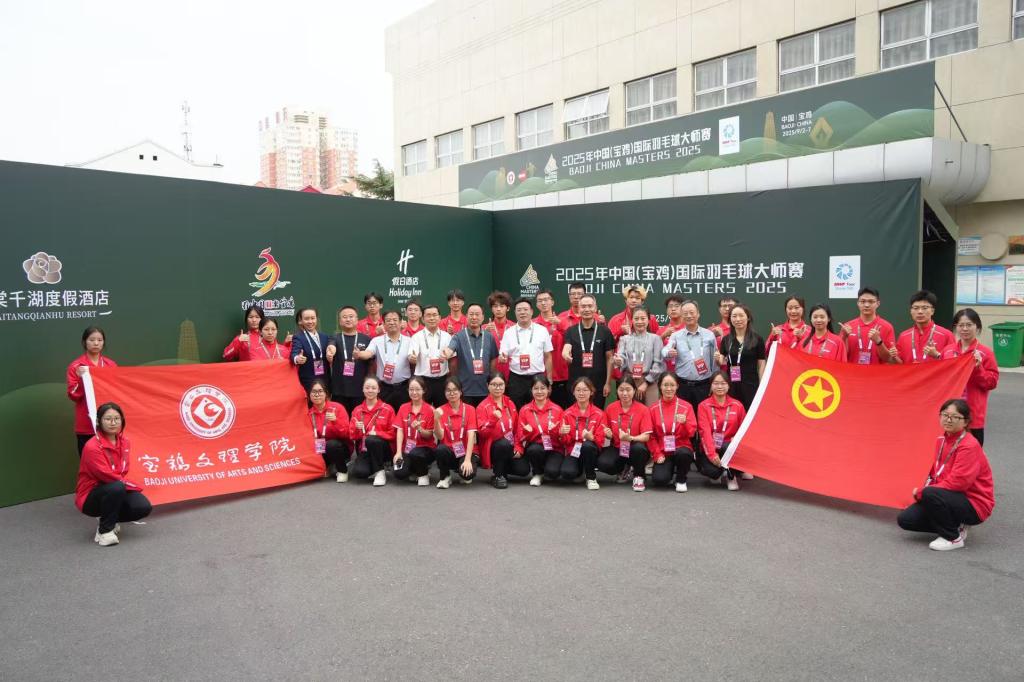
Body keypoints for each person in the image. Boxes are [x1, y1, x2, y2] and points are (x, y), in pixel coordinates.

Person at [897, 399, 995, 551]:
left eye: (955, 417)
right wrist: (925, 496)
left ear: (965, 422)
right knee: (906, 519)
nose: (948, 420)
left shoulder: (969, 445)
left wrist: (923, 493)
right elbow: (936, 474)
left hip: (974, 503)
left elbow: (959, 483)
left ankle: (952, 538)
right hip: (949, 496)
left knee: (929, 493)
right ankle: (956, 525)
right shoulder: (941, 440)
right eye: (945, 415)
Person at [76, 403, 151, 546]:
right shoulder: (92, 446)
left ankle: (108, 518)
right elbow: (107, 476)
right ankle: (105, 531)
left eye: (117, 418)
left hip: (116, 488)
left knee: (142, 506)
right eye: (108, 419)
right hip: (90, 496)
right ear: (99, 421)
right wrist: (134, 486)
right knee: (116, 487)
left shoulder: (125, 442)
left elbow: (122, 471)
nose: (113, 422)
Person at [942, 309, 999, 445]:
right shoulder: (948, 351)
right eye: (961, 325)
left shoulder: (985, 353)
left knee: (972, 452)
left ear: (977, 327)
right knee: (948, 451)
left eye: (969, 325)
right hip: (950, 413)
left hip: (973, 415)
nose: (965, 329)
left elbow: (991, 383)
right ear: (955, 327)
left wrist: (978, 368)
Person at [67, 326, 118, 456]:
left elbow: (117, 391)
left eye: (100, 340)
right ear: (84, 342)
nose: (96, 343)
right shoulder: (76, 366)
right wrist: (80, 379)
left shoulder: (111, 365)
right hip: (86, 424)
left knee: (110, 460)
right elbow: (73, 395)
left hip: (109, 423)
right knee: (88, 461)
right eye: (92, 340)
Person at [597, 378, 653, 491]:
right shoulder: (610, 408)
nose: (625, 393)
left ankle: (639, 476)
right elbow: (606, 432)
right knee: (603, 463)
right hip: (618, 447)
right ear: (617, 391)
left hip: (636, 449)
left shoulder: (643, 409)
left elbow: (646, 437)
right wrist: (608, 435)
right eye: (621, 390)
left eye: (628, 389)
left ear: (634, 390)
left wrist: (631, 438)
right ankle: (623, 468)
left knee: (639, 448)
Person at [661, 299, 717, 413]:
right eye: (685, 313)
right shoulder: (676, 336)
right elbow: (665, 351)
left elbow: (714, 361)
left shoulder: (709, 335)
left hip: (704, 385)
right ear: (681, 316)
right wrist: (668, 352)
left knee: (702, 417)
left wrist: (713, 383)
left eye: (692, 312)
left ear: (698, 314)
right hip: (682, 385)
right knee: (682, 417)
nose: (689, 316)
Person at [697, 372, 748, 491]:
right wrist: (712, 454)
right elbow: (705, 432)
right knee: (712, 472)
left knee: (729, 446)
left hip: (729, 447)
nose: (719, 387)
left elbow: (744, 430)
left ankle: (731, 476)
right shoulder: (703, 406)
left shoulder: (737, 405)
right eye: (716, 383)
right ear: (711, 386)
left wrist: (737, 440)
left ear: (729, 385)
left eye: (723, 383)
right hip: (712, 447)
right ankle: (721, 471)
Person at [562, 294, 615, 407]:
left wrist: (607, 383)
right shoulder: (571, 331)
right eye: (583, 306)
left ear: (595, 308)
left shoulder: (605, 331)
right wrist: (565, 353)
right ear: (578, 309)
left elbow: (610, 358)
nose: (586, 309)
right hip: (576, 386)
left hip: (598, 385)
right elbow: (567, 347)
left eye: (590, 306)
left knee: (597, 414)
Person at [648, 373, 698, 493]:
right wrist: (657, 454)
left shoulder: (686, 406)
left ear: (677, 386)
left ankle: (681, 479)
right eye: (665, 385)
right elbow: (651, 436)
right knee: (660, 480)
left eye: (672, 385)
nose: (669, 388)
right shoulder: (653, 408)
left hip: (681, 447)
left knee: (683, 453)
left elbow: (692, 433)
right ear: (660, 386)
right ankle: (669, 472)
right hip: (663, 451)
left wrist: (685, 423)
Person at [500, 297, 553, 409]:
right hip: (516, 378)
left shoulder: (542, 330)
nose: (522, 312)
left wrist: (549, 379)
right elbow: (503, 354)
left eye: (525, 309)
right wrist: (502, 358)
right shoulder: (508, 333)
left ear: (532, 311)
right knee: (516, 409)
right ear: (515, 313)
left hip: (537, 377)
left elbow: (548, 356)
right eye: (519, 310)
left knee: (539, 408)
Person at [555, 377, 607, 489]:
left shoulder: (599, 414)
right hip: (574, 450)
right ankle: (581, 470)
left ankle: (591, 478)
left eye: (585, 390)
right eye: (578, 390)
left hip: (591, 450)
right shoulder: (567, 413)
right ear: (573, 392)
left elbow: (601, 441)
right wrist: (562, 434)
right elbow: (565, 442)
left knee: (588, 445)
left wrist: (592, 437)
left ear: (591, 392)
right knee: (567, 473)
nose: (581, 393)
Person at [444, 303, 499, 407]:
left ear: (482, 317)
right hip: (465, 390)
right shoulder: (458, 336)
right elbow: (450, 349)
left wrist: (490, 378)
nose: (474, 317)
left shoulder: (489, 337)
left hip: (485, 389)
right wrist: (446, 353)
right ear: (466, 316)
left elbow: (493, 359)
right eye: (471, 314)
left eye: (477, 314)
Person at [476, 373, 525, 489]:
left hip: (510, 446)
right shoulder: (482, 407)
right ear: (488, 386)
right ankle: (498, 475)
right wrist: (493, 420)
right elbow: (482, 434)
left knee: (523, 470)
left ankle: (502, 468)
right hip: (492, 447)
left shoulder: (510, 403)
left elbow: (517, 428)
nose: (497, 388)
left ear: (505, 385)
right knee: (503, 444)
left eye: (501, 384)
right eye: (494, 384)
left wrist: (518, 447)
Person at [715, 304, 766, 409]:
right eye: (734, 316)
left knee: (750, 410)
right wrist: (717, 359)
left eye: (741, 315)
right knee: (733, 411)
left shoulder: (757, 339)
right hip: (731, 383)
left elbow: (761, 363)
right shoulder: (726, 339)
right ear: (730, 319)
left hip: (751, 384)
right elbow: (721, 361)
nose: (738, 319)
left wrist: (762, 384)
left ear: (748, 317)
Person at [516, 376, 564, 487]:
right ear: (531, 390)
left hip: (554, 448)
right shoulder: (525, 410)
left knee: (552, 473)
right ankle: (538, 473)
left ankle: (548, 468)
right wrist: (527, 433)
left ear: (548, 389)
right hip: (536, 447)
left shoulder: (557, 409)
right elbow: (520, 436)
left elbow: (563, 438)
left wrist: (557, 431)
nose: (539, 392)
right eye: (536, 388)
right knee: (534, 450)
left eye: (542, 388)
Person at [348, 377, 397, 486]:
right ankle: (374, 467)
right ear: (363, 389)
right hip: (365, 449)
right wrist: (356, 428)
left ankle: (380, 472)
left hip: (384, 450)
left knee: (372, 440)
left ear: (379, 390)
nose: (370, 390)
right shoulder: (357, 410)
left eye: (373, 388)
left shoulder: (388, 409)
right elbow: (352, 436)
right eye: (367, 387)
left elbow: (394, 434)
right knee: (360, 472)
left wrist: (378, 433)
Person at [361, 310, 413, 411]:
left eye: (395, 320)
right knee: (383, 414)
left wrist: (413, 359)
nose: (392, 322)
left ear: (401, 322)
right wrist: (359, 354)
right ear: (384, 324)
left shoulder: (409, 341)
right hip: (384, 387)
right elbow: (368, 353)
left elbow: (414, 358)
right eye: (388, 320)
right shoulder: (376, 341)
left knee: (403, 415)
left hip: (404, 386)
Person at [325, 306, 372, 414]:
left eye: (351, 316)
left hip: (361, 390)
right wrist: (330, 352)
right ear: (340, 321)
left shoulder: (366, 339)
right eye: (344, 317)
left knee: (359, 420)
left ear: (357, 319)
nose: (348, 319)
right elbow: (331, 346)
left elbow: (371, 359)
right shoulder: (335, 337)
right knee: (340, 419)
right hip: (339, 390)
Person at [613, 307, 664, 405]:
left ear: (648, 320)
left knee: (650, 411)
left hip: (650, 381)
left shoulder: (656, 339)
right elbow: (621, 356)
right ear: (632, 320)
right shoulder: (625, 339)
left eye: (643, 318)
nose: (639, 322)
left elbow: (658, 364)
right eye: (636, 319)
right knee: (631, 411)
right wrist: (619, 361)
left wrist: (646, 382)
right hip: (629, 381)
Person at [433, 378, 479, 489]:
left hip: (466, 452)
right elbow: (440, 436)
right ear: (445, 393)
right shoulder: (440, 410)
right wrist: (436, 420)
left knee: (467, 476)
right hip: (449, 451)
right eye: (448, 390)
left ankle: (462, 470)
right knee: (440, 449)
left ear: (460, 392)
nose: (452, 393)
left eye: (455, 390)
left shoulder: (470, 409)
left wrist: (467, 460)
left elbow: (471, 436)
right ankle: (445, 477)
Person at [892, 290, 956, 365]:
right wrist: (894, 356)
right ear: (911, 311)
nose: (920, 312)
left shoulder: (946, 335)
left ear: (932, 311)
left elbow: (953, 363)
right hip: (911, 373)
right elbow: (900, 364)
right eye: (916, 308)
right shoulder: (903, 336)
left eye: (924, 308)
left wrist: (937, 355)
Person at [393, 377, 436, 486]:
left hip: (425, 449)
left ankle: (423, 473)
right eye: (411, 389)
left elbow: (429, 435)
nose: (414, 392)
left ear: (423, 390)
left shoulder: (430, 410)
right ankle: (414, 470)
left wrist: (420, 429)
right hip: (407, 449)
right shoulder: (403, 408)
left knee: (416, 453)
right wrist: (398, 452)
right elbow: (400, 430)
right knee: (399, 474)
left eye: (417, 389)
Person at [306, 379, 352, 482]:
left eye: (320, 391)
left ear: (326, 393)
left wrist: (336, 421)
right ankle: (328, 465)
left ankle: (343, 471)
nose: (317, 395)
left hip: (340, 447)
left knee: (332, 444)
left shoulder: (337, 408)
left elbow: (347, 433)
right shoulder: (309, 414)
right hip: (320, 449)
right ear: (309, 395)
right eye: (314, 392)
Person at [409, 305, 453, 407]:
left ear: (440, 317)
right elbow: (411, 356)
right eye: (428, 315)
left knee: (442, 410)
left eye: (434, 315)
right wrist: (412, 358)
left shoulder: (447, 336)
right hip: (423, 381)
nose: (432, 318)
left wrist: (447, 356)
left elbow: (452, 359)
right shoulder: (416, 337)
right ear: (423, 319)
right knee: (423, 411)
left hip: (442, 380)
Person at [534, 289, 571, 408]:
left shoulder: (563, 321)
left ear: (552, 302)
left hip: (562, 375)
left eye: (546, 300)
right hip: (539, 375)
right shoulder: (533, 324)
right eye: (540, 300)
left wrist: (560, 324)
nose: (543, 303)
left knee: (562, 410)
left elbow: (573, 339)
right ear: (536, 304)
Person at [839, 287, 895, 365]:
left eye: (871, 301)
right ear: (858, 303)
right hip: (852, 372)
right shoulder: (847, 327)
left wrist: (878, 342)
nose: (866, 305)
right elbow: (841, 356)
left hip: (877, 372)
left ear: (878, 304)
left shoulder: (887, 327)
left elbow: (889, 359)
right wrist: (844, 337)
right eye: (863, 301)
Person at [290, 307, 331, 391]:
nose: (310, 321)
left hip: (325, 379)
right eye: (306, 319)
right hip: (309, 380)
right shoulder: (298, 337)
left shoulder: (325, 337)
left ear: (316, 319)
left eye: (313, 318)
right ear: (301, 321)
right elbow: (294, 353)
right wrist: (297, 358)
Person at [485, 290, 514, 379]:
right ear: (491, 308)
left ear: (508, 308)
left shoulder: (514, 327)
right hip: (491, 371)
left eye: (502, 306)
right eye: (495, 306)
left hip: (512, 371)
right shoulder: (484, 328)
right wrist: (484, 334)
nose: (498, 309)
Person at [658, 295, 687, 374]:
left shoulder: (689, 329)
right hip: (666, 374)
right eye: (670, 306)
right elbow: (654, 351)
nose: (673, 309)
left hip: (686, 373)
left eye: (677, 306)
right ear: (667, 310)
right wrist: (663, 336)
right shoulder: (661, 331)